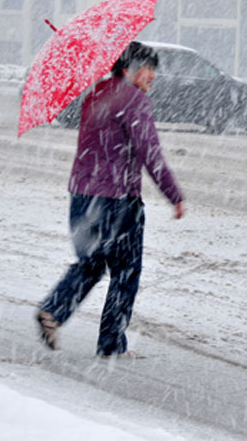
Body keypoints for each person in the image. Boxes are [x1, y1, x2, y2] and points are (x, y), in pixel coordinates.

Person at [37, 41, 185, 357]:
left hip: (82, 195)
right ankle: (111, 344)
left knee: (90, 262)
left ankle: (53, 310)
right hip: (117, 200)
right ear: (131, 69)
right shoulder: (134, 100)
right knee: (126, 271)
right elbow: (150, 153)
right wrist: (174, 195)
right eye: (149, 69)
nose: (153, 76)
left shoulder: (96, 93)